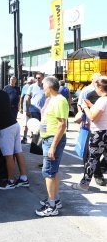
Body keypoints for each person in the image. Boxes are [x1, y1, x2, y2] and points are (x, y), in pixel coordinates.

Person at [35, 76, 68, 217]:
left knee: (48, 172)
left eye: (43, 85)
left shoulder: (60, 100)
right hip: (49, 138)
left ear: (49, 87)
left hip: (53, 140)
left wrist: (53, 146)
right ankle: (55, 199)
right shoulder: (53, 100)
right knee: (52, 171)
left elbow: (62, 124)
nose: (42, 88)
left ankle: (52, 205)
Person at [72, 76, 107, 191]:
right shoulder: (103, 100)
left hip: (99, 134)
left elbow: (93, 118)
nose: (94, 89)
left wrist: (85, 107)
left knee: (92, 160)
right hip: (103, 132)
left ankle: (84, 184)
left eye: (96, 86)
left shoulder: (103, 100)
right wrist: (92, 106)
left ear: (100, 88)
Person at [19, 77, 35, 143]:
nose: (29, 84)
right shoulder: (25, 87)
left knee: (34, 124)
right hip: (26, 109)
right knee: (25, 124)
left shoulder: (36, 87)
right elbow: (21, 98)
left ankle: (33, 138)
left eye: (31, 83)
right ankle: (25, 137)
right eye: (28, 83)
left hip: (35, 109)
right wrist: (20, 107)